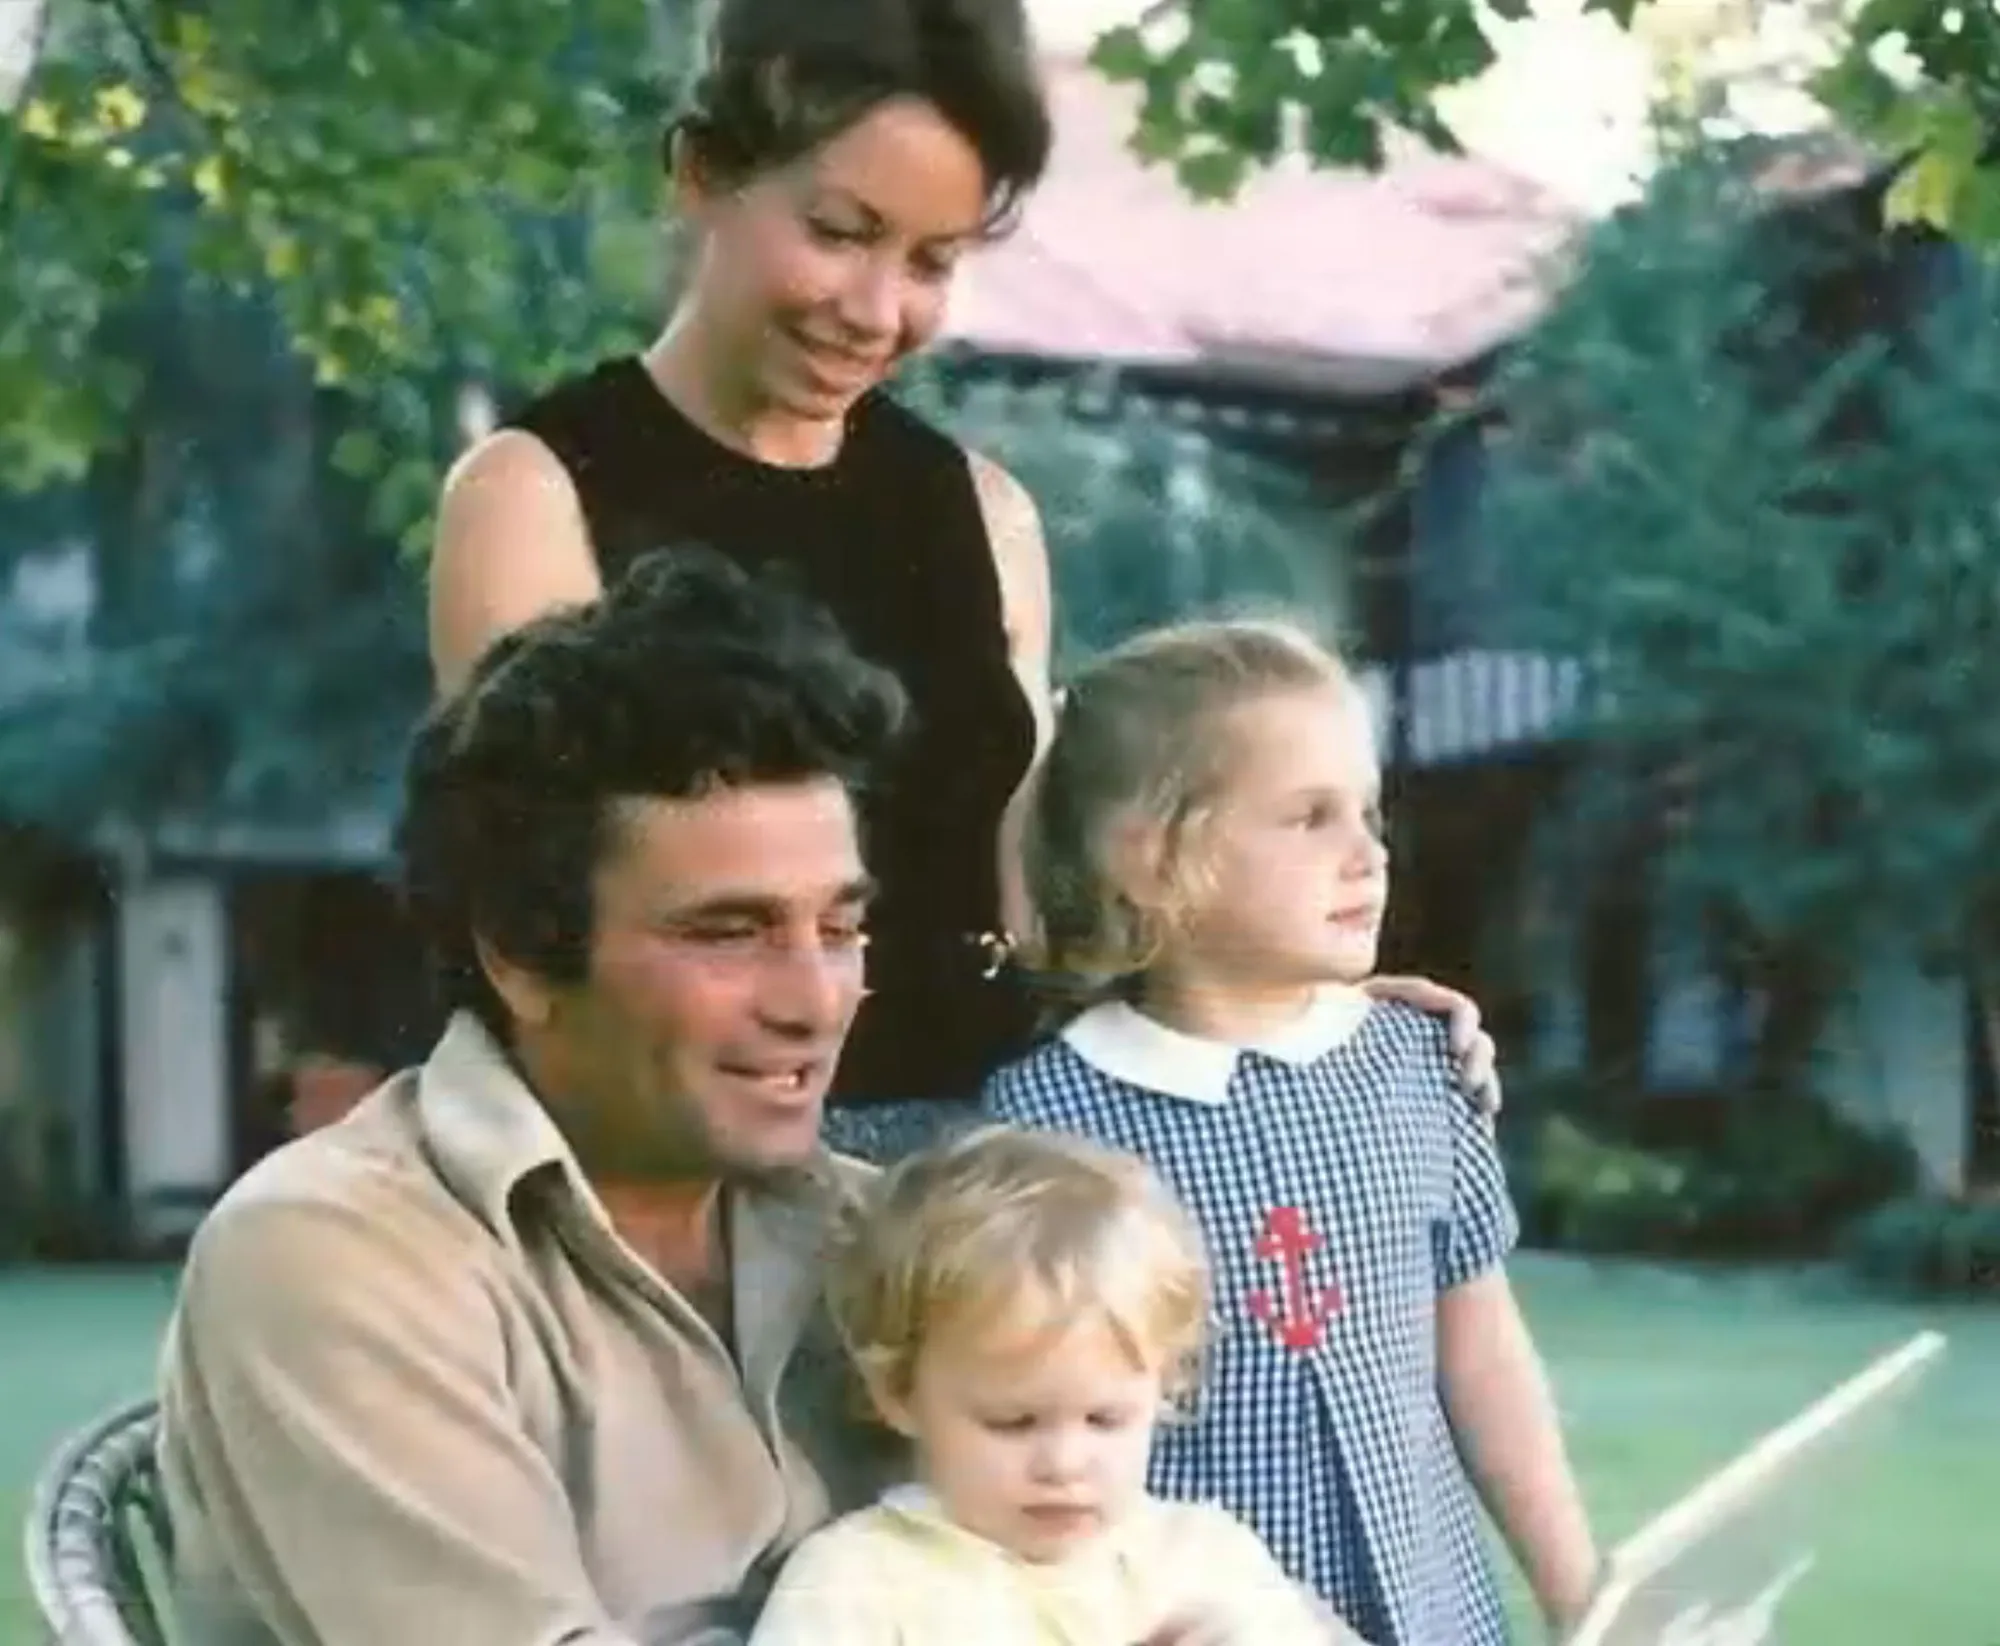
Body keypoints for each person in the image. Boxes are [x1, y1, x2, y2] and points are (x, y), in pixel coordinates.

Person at [425, 0, 1498, 1128]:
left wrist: (1289, 1011)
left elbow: (1049, 924)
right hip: (679, 1190)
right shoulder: (534, 495)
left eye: (931, 259)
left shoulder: (981, 513)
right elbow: (537, 934)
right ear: (701, 173)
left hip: (976, 1182)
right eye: (839, 232)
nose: (876, 309)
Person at [156, 548, 913, 1646]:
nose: (814, 999)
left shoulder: (874, 1232)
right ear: (518, 951)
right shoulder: (333, 1252)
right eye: (729, 931)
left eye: (839, 928)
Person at [980, 619, 1601, 1646]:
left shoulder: (1417, 1064)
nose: (1367, 852)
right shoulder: (1041, 1124)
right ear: (1147, 856)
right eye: (1309, 816)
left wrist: (1578, 1590)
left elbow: (1481, 1351)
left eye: (1367, 811)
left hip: (1435, 1617)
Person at [749, 1124, 1361, 1646]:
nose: (1065, 1465)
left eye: (1106, 1420)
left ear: (1163, 1387)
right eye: (1012, 1423)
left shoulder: (1206, 1562)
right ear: (898, 1393)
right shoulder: (854, 1586)